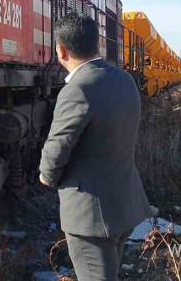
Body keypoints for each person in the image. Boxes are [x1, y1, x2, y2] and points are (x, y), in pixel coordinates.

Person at [39, 14, 153, 281]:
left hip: (91, 216)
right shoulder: (124, 79)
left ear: (61, 50)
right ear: (97, 44)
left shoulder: (78, 88)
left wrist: (47, 175)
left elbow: (59, 144)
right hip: (123, 204)